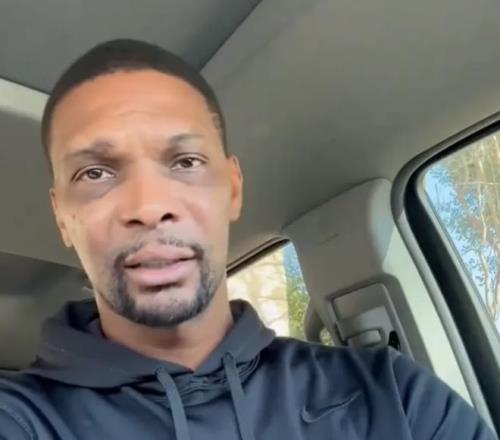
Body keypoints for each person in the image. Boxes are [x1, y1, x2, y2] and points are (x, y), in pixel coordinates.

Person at [0, 39, 496, 440]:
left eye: (186, 162)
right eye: (95, 173)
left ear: (233, 189)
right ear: (62, 217)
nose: (149, 206)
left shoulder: (392, 397)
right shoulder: (21, 420)